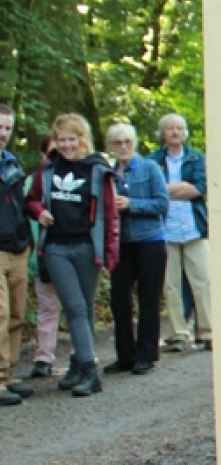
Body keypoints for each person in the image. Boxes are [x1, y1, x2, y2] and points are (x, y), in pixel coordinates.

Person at [25, 113, 119, 397]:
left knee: (86, 307)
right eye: (61, 140)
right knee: (75, 308)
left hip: (87, 247)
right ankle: (91, 372)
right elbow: (31, 200)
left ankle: (79, 364)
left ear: (83, 139)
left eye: (72, 139)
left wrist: (110, 252)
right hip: (56, 248)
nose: (66, 145)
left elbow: (110, 212)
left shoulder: (97, 169)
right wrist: (40, 212)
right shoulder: (49, 169)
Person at [103, 123, 169, 376]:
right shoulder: (107, 173)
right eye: (117, 143)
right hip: (120, 244)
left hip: (150, 241)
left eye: (127, 142)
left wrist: (132, 204)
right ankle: (125, 355)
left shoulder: (150, 168)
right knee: (119, 300)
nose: (123, 147)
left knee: (148, 299)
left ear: (135, 143)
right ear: (110, 146)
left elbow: (162, 204)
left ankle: (146, 354)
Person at [148, 113, 211, 352]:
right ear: (163, 133)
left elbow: (200, 189)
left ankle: (207, 331)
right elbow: (153, 193)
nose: (175, 132)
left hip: (194, 227)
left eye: (180, 128)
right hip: (165, 229)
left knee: (203, 281)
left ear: (185, 132)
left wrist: (168, 190)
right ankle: (178, 333)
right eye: (170, 129)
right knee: (170, 284)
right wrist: (181, 188)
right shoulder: (153, 161)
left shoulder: (196, 158)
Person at [0, 103, 34, 406]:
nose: (2, 133)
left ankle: (8, 374)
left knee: (16, 316)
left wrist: (27, 241)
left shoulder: (12, 163)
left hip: (18, 247)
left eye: (7, 128)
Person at [25, 135, 63, 380]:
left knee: (79, 306)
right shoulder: (30, 182)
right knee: (48, 307)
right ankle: (44, 357)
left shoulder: (79, 177)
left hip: (73, 251)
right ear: (42, 155)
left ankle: (83, 355)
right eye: (51, 153)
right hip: (41, 253)